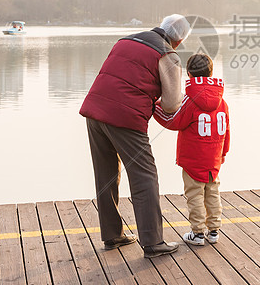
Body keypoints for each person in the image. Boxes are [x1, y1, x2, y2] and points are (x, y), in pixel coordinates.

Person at [80, 14, 191, 258]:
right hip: (125, 118)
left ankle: (112, 235)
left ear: (160, 26)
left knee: (106, 174)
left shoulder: (125, 40)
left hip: (94, 110)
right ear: (179, 41)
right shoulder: (168, 55)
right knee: (144, 176)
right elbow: (172, 104)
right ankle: (153, 242)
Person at [153, 53, 230, 246]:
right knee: (212, 193)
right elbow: (227, 130)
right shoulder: (222, 102)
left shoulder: (190, 100)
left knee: (195, 195)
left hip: (193, 159)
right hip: (213, 159)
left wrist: (155, 107)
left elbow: (174, 121)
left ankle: (197, 233)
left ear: (189, 74)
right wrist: (223, 153)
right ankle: (213, 231)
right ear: (211, 73)